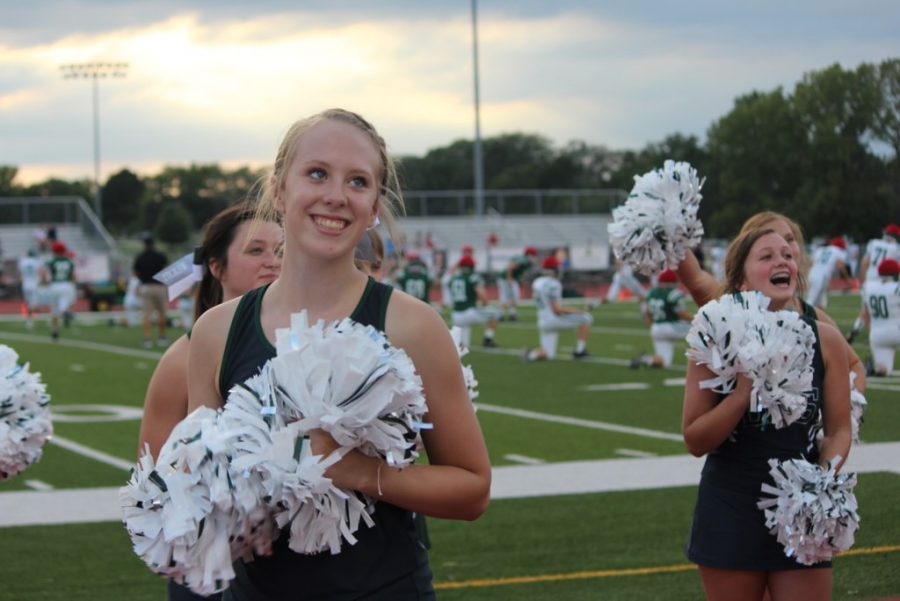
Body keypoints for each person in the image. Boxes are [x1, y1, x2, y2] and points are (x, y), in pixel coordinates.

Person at [187, 108, 491, 600]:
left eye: (358, 181)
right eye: (317, 173)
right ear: (279, 189)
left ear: (374, 206)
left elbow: (472, 489)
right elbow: (202, 481)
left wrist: (354, 470)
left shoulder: (413, 326)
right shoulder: (215, 332)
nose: (335, 196)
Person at [683, 227, 851, 601]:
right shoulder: (714, 334)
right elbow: (695, 439)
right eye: (767, 256)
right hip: (730, 507)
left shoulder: (827, 338)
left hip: (799, 515)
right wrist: (741, 394)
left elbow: (840, 429)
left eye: (788, 255)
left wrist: (820, 482)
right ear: (741, 277)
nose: (783, 260)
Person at [138, 203, 282, 601]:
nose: (274, 262)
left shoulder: (306, 348)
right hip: (213, 566)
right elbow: (153, 479)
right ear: (216, 268)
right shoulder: (181, 360)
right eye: (256, 251)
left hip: (296, 562)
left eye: (282, 251)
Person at [676, 211, 866, 391]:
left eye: (789, 239)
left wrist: (847, 411)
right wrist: (667, 230)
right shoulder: (729, 308)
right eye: (768, 250)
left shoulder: (816, 319)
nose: (782, 247)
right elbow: (695, 277)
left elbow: (854, 365)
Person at [526, 255, 593, 361]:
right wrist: (578, 311)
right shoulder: (554, 284)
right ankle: (580, 351)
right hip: (553, 320)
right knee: (586, 318)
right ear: (554, 270)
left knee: (549, 355)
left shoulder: (537, 282)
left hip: (542, 321)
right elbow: (557, 310)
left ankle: (531, 355)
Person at [847, 223, 900, 343]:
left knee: (868, 311)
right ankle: (877, 336)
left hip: (870, 282)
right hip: (886, 281)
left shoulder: (873, 243)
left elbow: (864, 263)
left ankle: (856, 330)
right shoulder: (896, 248)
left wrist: (863, 281)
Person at [632, 269, 692, 368]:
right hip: (670, 327)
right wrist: (699, 320)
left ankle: (646, 359)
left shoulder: (652, 293)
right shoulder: (674, 293)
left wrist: (651, 325)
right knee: (700, 332)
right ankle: (709, 360)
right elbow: (682, 315)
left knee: (665, 363)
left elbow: (647, 314)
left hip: (656, 329)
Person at [449, 255, 501, 348]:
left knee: (463, 348)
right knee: (496, 313)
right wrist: (485, 304)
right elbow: (482, 295)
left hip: (456, 315)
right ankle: (488, 339)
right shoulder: (473, 277)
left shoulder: (454, 278)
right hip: (469, 313)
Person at [860, 258, 900, 376]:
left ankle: (871, 369)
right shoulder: (896, 288)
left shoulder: (869, 287)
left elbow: (865, 315)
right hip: (897, 331)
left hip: (877, 335)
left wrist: (862, 331)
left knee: (883, 371)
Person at [133, 234, 171, 349]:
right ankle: (162, 337)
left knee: (147, 315)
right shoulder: (160, 256)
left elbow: (136, 272)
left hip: (146, 287)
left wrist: (143, 278)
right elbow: (167, 269)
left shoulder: (140, 257)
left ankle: (148, 339)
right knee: (162, 314)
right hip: (160, 286)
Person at [806, 237, 852, 310]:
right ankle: (802, 318)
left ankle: (818, 319)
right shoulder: (837, 251)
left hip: (813, 273)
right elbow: (840, 265)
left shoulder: (821, 250)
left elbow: (811, 263)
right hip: (822, 276)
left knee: (822, 302)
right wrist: (847, 279)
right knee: (812, 300)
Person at [45, 242, 77, 341]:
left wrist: (45, 283)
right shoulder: (69, 261)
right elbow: (73, 276)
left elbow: (46, 275)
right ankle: (65, 312)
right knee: (65, 305)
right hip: (66, 285)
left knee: (54, 311)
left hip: (55, 285)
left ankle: (55, 331)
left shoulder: (51, 261)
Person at [499, 246, 538, 320]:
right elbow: (510, 267)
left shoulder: (523, 259)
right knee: (509, 295)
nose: (534, 257)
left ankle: (510, 313)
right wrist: (510, 279)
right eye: (534, 255)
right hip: (506, 278)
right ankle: (505, 314)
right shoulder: (524, 260)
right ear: (530, 255)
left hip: (508, 278)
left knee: (511, 296)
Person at [17, 248, 43, 329]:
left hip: (26, 284)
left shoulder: (23, 261)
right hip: (34, 284)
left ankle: (29, 319)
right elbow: (40, 272)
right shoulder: (37, 261)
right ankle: (30, 320)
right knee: (33, 304)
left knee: (28, 303)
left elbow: (21, 274)